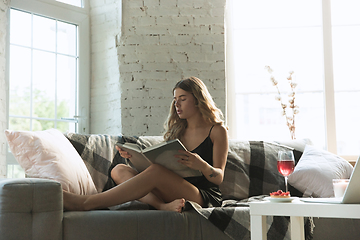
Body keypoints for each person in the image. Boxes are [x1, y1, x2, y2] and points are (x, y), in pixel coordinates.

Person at [63, 76, 228, 212]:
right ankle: (161, 206)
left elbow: (218, 178)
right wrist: (136, 159)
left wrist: (202, 165)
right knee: (119, 169)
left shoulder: (217, 130)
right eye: (175, 99)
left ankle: (86, 203)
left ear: (198, 100)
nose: (177, 104)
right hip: (171, 190)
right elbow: (165, 170)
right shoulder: (177, 131)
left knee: (156, 172)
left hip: (203, 195)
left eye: (183, 99)